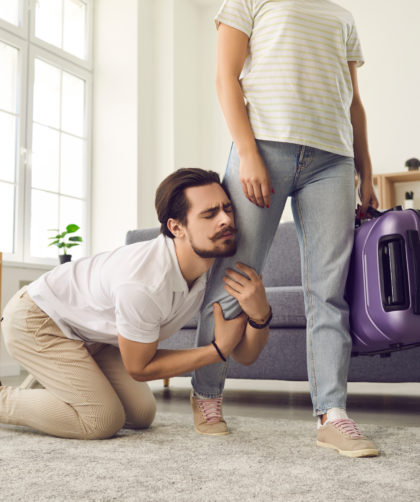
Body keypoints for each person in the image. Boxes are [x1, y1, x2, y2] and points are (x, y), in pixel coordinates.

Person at [190, 0, 380, 458]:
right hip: (265, 146)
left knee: (328, 290)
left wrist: (366, 170)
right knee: (234, 277)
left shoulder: (343, 16)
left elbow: (353, 101)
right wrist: (247, 151)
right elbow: (225, 77)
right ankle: (207, 394)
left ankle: (333, 414)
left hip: (333, 160)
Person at [0, 168, 271, 439]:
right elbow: (139, 368)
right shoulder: (144, 283)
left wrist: (260, 315)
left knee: (140, 415)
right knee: (102, 420)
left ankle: (56, 383)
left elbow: (246, 356)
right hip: (37, 320)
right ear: (177, 227)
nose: (226, 220)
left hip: (92, 336)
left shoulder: (219, 265)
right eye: (210, 214)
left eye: (227, 209)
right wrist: (216, 351)